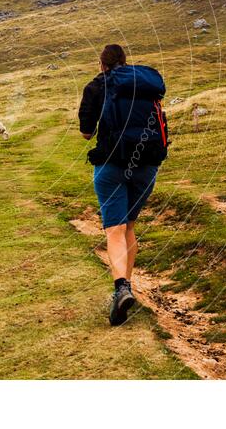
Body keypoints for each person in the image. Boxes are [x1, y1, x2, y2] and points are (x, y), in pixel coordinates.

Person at [78, 44, 168, 326]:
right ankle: (126, 286)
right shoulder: (144, 86)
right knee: (129, 225)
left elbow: (86, 133)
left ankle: (121, 288)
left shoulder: (96, 86)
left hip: (111, 164)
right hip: (147, 164)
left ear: (101, 64)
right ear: (125, 61)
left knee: (114, 229)